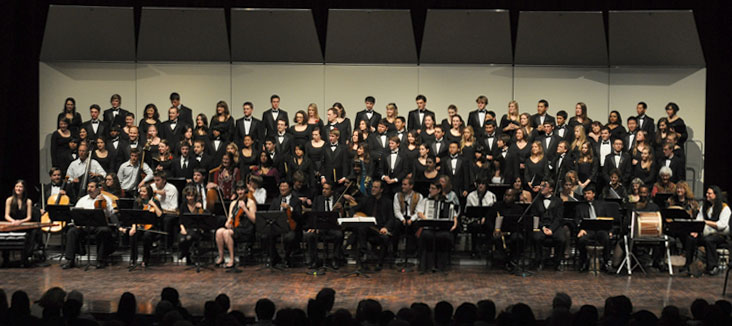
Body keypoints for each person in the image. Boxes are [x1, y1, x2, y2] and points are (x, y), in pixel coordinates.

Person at [61, 178, 115, 269]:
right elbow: (76, 213)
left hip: (99, 226)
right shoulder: (82, 200)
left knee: (104, 231)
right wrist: (76, 223)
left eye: (92, 187)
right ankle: (70, 260)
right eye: (88, 187)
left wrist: (104, 204)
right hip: (84, 226)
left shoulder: (106, 199)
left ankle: (101, 260)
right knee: (72, 231)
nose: (89, 189)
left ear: (98, 189)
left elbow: (111, 214)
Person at [347, 179, 397, 271]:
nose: (373, 189)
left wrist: (386, 228)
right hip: (368, 229)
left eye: (376, 187)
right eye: (372, 187)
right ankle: (363, 256)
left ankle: (379, 263)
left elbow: (391, 218)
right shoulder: (367, 200)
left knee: (385, 238)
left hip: (380, 230)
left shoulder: (388, 202)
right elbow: (352, 209)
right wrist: (353, 214)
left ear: (381, 190)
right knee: (361, 228)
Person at [680, 186, 730, 276]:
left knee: (709, 240)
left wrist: (706, 222)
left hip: (719, 236)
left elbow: (722, 225)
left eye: (709, 193)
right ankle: (688, 265)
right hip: (705, 234)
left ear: (716, 195)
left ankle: (712, 267)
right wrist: (696, 231)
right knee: (690, 238)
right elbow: (699, 221)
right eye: (707, 193)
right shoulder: (704, 207)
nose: (707, 195)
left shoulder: (724, 208)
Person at [415, 181, 459, 273]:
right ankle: (425, 266)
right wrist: (428, 220)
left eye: (433, 188)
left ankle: (442, 265)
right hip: (429, 228)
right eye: (430, 188)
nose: (430, 190)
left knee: (446, 236)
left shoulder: (447, 201)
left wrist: (454, 224)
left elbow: (453, 215)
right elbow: (419, 213)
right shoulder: (425, 201)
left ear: (439, 190)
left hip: (442, 228)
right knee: (425, 235)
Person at [119, 184, 162, 269]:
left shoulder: (155, 201)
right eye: (141, 191)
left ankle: (146, 259)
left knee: (147, 236)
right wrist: (133, 227)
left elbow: (160, 215)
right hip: (139, 226)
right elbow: (134, 216)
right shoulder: (137, 202)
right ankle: (133, 259)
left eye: (144, 191)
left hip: (151, 227)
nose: (141, 193)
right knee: (133, 234)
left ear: (149, 192)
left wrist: (153, 204)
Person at [215, 181, 256, 269]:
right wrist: (228, 223)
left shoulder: (250, 203)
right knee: (219, 232)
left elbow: (254, 220)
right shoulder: (233, 203)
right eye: (238, 190)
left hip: (246, 229)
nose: (240, 192)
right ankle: (221, 257)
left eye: (242, 189)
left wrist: (245, 209)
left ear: (245, 190)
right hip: (236, 228)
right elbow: (230, 217)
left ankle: (232, 259)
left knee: (227, 233)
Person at [306, 181, 345, 269]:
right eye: (323, 188)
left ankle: (335, 259)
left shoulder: (338, 199)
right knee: (310, 235)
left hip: (333, 227)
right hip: (320, 227)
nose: (324, 191)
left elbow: (342, 217)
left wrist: (341, 210)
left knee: (339, 235)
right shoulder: (317, 199)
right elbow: (313, 214)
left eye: (327, 189)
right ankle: (314, 260)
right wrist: (314, 226)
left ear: (332, 191)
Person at [263, 180, 303, 267]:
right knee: (265, 236)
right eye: (281, 186)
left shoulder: (296, 201)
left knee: (290, 237)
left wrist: (290, 209)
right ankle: (275, 257)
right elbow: (270, 214)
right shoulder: (276, 200)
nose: (282, 188)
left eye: (284, 186)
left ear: (290, 188)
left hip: (291, 227)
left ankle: (287, 258)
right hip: (277, 226)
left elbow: (299, 217)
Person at [529, 180, 567, 271]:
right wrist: (542, 227)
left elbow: (559, 218)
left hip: (554, 227)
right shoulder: (536, 201)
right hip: (541, 226)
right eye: (541, 186)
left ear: (551, 189)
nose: (541, 188)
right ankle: (538, 261)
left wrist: (551, 229)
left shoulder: (558, 201)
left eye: (544, 186)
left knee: (562, 239)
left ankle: (557, 262)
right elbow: (535, 216)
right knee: (536, 237)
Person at [575, 185, 611, 272]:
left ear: (593, 194)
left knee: (606, 238)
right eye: (585, 194)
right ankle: (583, 262)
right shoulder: (580, 207)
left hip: (600, 230)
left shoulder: (602, 205)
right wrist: (580, 229)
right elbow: (576, 220)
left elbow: (609, 219)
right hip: (587, 230)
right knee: (582, 240)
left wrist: (610, 231)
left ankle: (606, 262)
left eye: (589, 193)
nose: (587, 195)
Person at [3, 180, 38, 266]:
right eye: (17, 186)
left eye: (20, 187)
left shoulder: (28, 201)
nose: (18, 188)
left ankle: (25, 258)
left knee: (33, 232)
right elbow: (6, 215)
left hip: (23, 224)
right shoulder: (9, 200)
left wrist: (20, 222)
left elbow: (29, 217)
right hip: (12, 224)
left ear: (24, 189)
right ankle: (6, 259)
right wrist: (13, 221)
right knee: (3, 233)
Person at [492, 188, 526, 273]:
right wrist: (494, 230)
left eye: (509, 196)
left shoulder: (519, 209)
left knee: (518, 238)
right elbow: (489, 220)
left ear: (514, 197)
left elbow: (520, 225)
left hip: (512, 232)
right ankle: (505, 261)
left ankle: (512, 259)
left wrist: (507, 232)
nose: (506, 197)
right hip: (498, 232)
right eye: (505, 195)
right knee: (496, 239)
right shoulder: (497, 206)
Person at [465, 178, 497, 257]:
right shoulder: (471, 196)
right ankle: (474, 249)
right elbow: (468, 212)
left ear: (486, 186)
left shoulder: (492, 196)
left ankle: (488, 248)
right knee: (473, 226)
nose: (480, 186)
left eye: (483, 184)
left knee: (489, 226)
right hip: (474, 220)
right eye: (479, 184)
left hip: (487, 220)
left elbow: (493, 212)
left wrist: (485, 218)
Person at [393, 178, 423, 256]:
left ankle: (415, 251)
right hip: (402, 218)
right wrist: (403, 219)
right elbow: (397, 211)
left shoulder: (419, 196)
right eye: (402, 184)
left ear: (411, 186)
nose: (402, 186)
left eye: (405, 184)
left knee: (417, 225)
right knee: (396, 224)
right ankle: (394, 250)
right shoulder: (397, 195)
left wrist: (411, 220)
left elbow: (419, 212)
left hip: (413, 218)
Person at [178, 185, 207, 265]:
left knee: (189, 237)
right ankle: (186, 254)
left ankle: (185, 254)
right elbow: (180, 219)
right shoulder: (183, 205)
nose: (190, 198)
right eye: (188, 196)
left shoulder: (198, 205)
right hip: (186, 228)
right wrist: (182, 228)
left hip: (196, 228)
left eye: (191, 196)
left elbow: (203, 219)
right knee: (182, 239)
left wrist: (200, 209)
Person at [151, 171, 179, 250]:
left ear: (164, 180)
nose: (156, 183)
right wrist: (155, 191)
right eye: (155, 180)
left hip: (169, 212)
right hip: (156, 211)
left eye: (158, 180)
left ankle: (166, 245)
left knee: (166, 220)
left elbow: (174, 208)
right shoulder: (152, 187)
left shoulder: (172, 189)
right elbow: (141, 191)